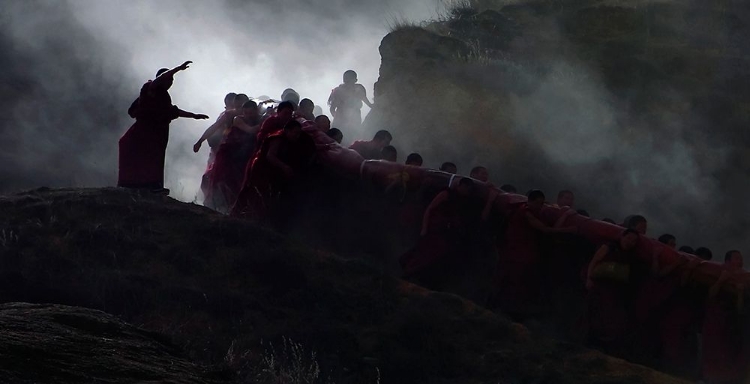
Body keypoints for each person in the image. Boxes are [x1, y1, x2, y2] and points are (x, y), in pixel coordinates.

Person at [118, 61, 208, 193]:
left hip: (157, 133)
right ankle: (133, 184)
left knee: (155, 158)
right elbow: (160, 82)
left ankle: (152, 185)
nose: (170, 82)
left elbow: (173, 111)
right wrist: (178, 69)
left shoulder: (164, 97)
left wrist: (194, 116)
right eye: (168, 78)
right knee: (141, 156)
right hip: (144, 132)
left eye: (172, 80)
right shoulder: (149, 88)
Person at [400, 178, 497, 295]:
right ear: (460, 186)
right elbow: (430, 209)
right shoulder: (446, 194)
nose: (466, 191)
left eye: (469, 189)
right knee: (422, 255)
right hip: (435, 231)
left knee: (437, 261)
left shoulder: (466, 201)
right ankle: (405, 276)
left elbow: (478, 218)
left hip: (448, 236)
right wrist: (424, 228)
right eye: (465, 188)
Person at [491, 190, 577, 318]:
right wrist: (568, 230)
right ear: (530, 201)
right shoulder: (526, 213)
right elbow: (545, 230)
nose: (540, 206)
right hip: (519, 251)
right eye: (538, 203)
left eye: (542, 204)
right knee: (514, 281)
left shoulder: (528, 210)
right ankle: (504, 310)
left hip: (522, 251)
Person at [231, 119, 315, 220]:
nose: (297, 136)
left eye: (298, 134)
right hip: (261, 168)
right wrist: (284, 167)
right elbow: (270, 156)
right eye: (295, 133)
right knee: (255, 193)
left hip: (271, 170)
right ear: (287, 130)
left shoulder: (290, 140)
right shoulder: (277, 137)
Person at [585, 229, 647, 356]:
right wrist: (588, 278)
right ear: (622, 237)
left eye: (634, 241)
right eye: (629, 238)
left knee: (611, 318)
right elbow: (594, 261)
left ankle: (604, 346)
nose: (630, 242)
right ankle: (589, 342)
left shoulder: (630, 256)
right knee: (594, 314)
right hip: (600, 286)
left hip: (614, 290)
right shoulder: (608, 247)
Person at [204, 100, 261, 213]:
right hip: (230, 156)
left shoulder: (259, 118)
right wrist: (200, 141)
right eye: (246, 113)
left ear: (256, 111)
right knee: (223, 180)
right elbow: (250, 130)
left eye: (251, 113)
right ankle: (218, 207)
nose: (248, 116)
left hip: (246, 155)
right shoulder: (237, 119)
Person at [701, 250, 746, 384]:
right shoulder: (717, 271)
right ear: (727, 261)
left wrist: (739, 293)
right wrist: (721, 280)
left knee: (726, 354)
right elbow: (710, 295)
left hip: (730, 323)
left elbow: (740, 309)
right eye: (737, 258)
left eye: (741, 258)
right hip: (714, 319)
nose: (740, 261)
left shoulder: (743, 280)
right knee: (711, 351)